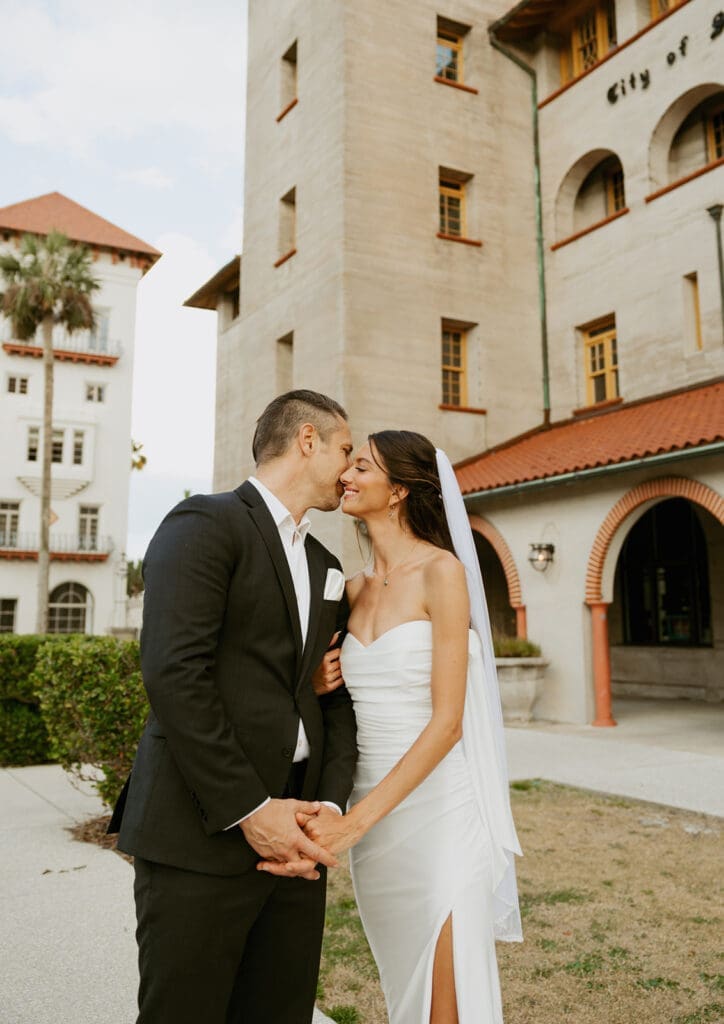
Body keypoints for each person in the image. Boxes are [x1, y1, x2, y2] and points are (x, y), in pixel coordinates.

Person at [108, 390, 358, 1024]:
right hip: (200, 832)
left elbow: (332, 696)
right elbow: (174, 674)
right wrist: (250, 810)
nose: (350, 469)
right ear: (309, 440)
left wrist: (326, 809)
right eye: (346, 450)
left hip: (298, 841)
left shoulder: (326, 563)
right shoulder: (204, 523)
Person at [266, 430, 522, 1024]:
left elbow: (449, 721)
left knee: (445, 1001)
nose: (346, 475)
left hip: (441, 811)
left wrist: (356, 822)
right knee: (404, 989)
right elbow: (327, 704)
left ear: (400, 490)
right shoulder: (347, 589)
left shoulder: (443, 573)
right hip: (374, 828)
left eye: (362, 467)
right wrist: (324, 682)